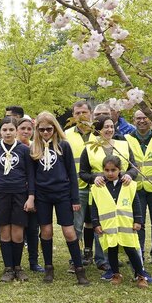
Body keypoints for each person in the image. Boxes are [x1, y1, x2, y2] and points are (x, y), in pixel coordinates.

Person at [31, 111, 88, 284]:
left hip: (62, 193)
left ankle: (79, 269)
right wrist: (32, 197)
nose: (46, 133)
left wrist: (75, 199)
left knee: (69, 232)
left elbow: (72, 172)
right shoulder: (34, 148)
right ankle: (49, 268)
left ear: (55, 128)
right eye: (42, 130)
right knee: (46, 231)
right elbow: (32, 176)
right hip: (42, 195)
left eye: (49, 129)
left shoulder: (64, 146)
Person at [0, 117, 35, 282]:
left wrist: (30, 197)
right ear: (1, 131)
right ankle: (8, 268)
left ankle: (18, 267)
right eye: (5, 130)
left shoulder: (23, 150)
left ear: (16, 131)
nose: (7, 133)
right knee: (5, 233)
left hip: (20, 195)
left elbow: (30, 175)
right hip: (0, 196)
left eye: (11, 130)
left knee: (18, 234)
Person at [91, 155, 148, 287]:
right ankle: (116, 274)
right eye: (106, 170)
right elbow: (94, 206)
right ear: (103, 170)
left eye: (113, 170)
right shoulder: (99, 187)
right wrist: (96, 223)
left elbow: (136, 203)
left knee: (131, 250)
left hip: (126, 226)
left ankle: (140, 275)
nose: (110, 173)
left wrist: (138, 220)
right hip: (109, 226)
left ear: (119, 169)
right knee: (112, 250)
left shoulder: (128, 185)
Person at [64, 100, 106, 271]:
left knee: (97, 223)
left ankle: (101, 259)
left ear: (90, 114)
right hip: (76, 187)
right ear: (73, 116)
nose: (81, 116)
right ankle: (76, 259)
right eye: (77, 113)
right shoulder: (65, 135)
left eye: (84, 112)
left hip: (98, 185)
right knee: (76, 225)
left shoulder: (100, 134)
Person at [126, 109, 152, 265]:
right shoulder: (127, 139)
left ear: (151, 119)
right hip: (136, 188)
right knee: (138, 222)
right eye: (138, 118)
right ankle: (139, 253)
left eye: (145, 117)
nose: (141, 121)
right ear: (133, 120)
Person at [16, 116, 43, 273]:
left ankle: (34, 261)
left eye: (29, 129)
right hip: (16, 194)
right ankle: (16, 262)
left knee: (33, 229)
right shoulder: (12, 147)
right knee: (19, 229)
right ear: (17, 130)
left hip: (34, 194)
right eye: (22, 128)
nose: (26, 131)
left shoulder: (36, 147)